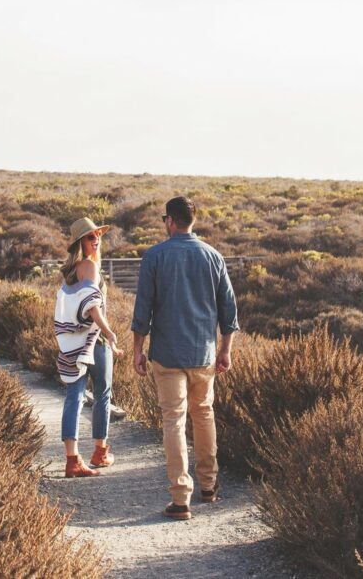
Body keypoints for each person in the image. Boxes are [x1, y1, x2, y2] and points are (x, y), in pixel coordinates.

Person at [131, 196, 239, 520]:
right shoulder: (213, 256)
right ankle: (209, 485)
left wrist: (137, 349)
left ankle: (181, 498)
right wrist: (225, 349)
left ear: (170, 221)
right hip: (202, 352)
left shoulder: (154, 256)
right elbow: (229, 311)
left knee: (174, 420)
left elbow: (142, 310)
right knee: (203, 415)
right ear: (192, 220)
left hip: (167, 354)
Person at [55, 217, 123, 478]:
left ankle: (72, 460)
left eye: (97, 236)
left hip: (73, 342)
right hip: (95, 340)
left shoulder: (70, 271)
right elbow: (92, 304)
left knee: (74, 395)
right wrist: (109, 332)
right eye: (89, 237)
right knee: (103, 393)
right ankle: (100, 452)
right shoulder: (89, 268)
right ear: (79, 243)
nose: (95, 240)